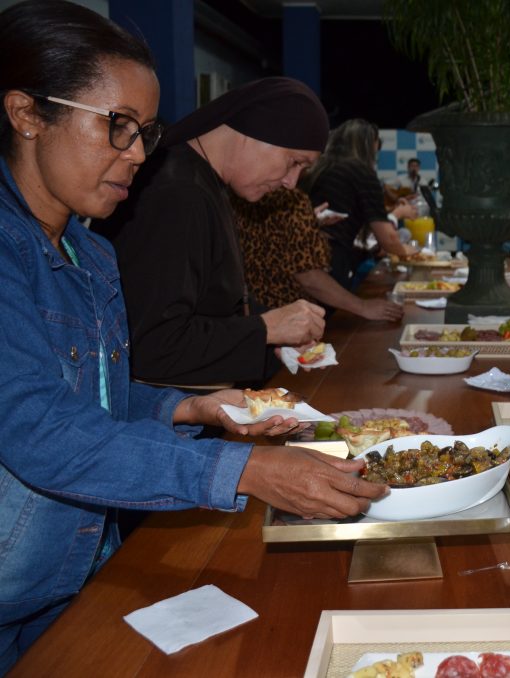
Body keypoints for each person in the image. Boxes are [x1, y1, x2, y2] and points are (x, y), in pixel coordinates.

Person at [0, 2, 386, 669]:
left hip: (74, 575)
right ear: (28, 114)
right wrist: (242, 469)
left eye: (146, 134)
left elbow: (97, 400)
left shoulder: (91, 257)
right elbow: (38, 427)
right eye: (118, 128)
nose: (137, 157)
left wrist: (186, 406)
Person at [101, 77, 329, 387]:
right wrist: (265, 329)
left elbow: (212, 305)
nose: (291, 181)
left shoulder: (203, 182)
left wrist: (277, 332)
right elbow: (152, 348)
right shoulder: (179, 195)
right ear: (253, 131)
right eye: (294, 162)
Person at [231, 187, 403, 322]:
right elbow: (308, 276)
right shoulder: (292, 199)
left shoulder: (236, 193)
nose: (292, 179)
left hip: (256, 319)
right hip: (288, 320)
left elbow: (269, 243)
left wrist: (309, 224)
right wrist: (363, 306)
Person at [300, 119, 417, 289]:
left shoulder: (319, 168)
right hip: (332, 261)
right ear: (367, 146)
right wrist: (412, 252)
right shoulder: (361, 172)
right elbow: (388, 239)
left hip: (301, 258)